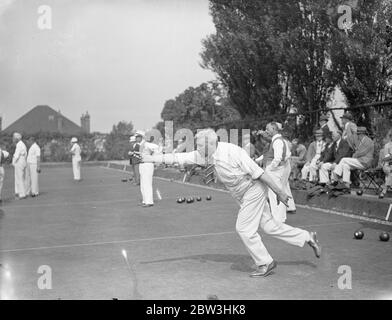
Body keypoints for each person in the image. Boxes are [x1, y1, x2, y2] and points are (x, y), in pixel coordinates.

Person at [142, 129, 321, 277]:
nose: (197, 149)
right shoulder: (202, 154)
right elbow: (177, 158)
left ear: (211, 144)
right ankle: (307, 237)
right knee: (269, 226)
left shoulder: (233, 152)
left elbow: (260, 173)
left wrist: (280, 192)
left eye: (200, 145)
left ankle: (265, 262)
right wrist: (148, 159)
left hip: (254, 189)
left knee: (243, 228)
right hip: (240, 194)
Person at [264, 122, 296, 222]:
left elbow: (277, 158)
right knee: (280, 192)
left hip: (275, 171)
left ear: (274, 128)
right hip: (280, 169)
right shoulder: (281, 140)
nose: (266, 131)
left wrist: (271, 168)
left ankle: (277, 217)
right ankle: (281, 217)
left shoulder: (277, 141)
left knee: (274, 194)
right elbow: (287, 154)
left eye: (267, 129)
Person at [137, 131, 160, 207]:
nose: (137, 138)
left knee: (147, 183)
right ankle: (144, 200)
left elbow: (157, 150)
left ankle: (149, 201)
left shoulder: (149, 144)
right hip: (142, 164)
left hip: (148, 164)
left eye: (138, 136)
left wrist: (154, 158)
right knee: (143, 184)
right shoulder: (142, 144)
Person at [12, 132, 27, 199]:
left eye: (14, 138)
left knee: (19, 178)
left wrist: (13, 162)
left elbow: (16, 155)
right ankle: (19, 192)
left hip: (19, 162)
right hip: (22, 161)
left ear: (17, 138)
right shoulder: (21, 144)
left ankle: (22, 194)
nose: (13, 139)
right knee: (20, 177)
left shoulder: (19, 144)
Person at [378, 133, 392, 198]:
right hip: (387, 165)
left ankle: (384, 190)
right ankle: (384, 190)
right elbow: (386, 157)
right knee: (391, 172)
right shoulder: (387, 146)